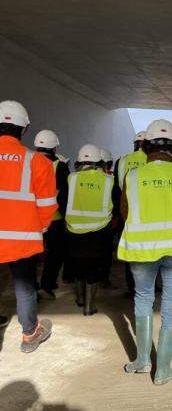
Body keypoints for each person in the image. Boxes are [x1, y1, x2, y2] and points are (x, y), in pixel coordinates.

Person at [119, 119, 172, 385]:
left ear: (145, 146)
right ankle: (163, 369)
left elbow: (124, 212)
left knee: (143, 298)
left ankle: (142, 360)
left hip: (141, 250)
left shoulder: (132, 176)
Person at [0, 100, 55, 352]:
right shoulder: (37, 162)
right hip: (22, 238)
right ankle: (29, 334)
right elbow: (46, 206)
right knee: (24, 288)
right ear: (23, 130)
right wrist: (38, 229)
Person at [64, 144, 114, 316]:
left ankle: (79, 299)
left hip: (74, 228)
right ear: (99, 161)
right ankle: (89, 306)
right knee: (93, 267)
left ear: (79, 161)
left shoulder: (72, 178)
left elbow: (63, 200)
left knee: (78, 265)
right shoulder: (109, 180)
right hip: (99, 230)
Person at [34, 130, 70, 298]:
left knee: (32, 254)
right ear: (54, 148)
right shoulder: (60, 166)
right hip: (53, 218)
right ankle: (47, 283)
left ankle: (32, 286)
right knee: (56, 253)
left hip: (31, 218)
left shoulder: (28, 161)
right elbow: (64, 195)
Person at [113, 131, 147, 297]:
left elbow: (116, 189)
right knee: (149, 250)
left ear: (134, 144)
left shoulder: (121, 161)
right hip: (148, 212)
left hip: (126, 212)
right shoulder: (152, 161)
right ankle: (149, 285)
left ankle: (131, 287)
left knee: (130, 249)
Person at [98, 147, 116, 288]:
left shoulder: (77, 177)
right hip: (107, 221)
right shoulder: (111, 179)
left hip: (84, 222)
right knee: (105, 253)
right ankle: (103, 278)